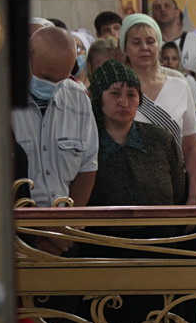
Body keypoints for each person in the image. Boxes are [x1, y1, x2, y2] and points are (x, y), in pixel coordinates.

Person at [12, 26, 98, 211]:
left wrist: (65, 225)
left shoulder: (78, 99)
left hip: (64, 225)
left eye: (61, 79)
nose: (53, 86)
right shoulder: (2, 102)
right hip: (17, 226)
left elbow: (87, 168)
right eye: (46, 77)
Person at [120, 13, 196, 204]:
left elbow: (191, 146)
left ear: (159, 45)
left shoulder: (179, 85)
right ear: (124, 47)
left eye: (150, 41)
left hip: (174, 186)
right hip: (126, 189)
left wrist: (194, 195)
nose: (144, 48)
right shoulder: (116, 88)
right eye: (136, 42)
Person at [89, 59, 186, 209]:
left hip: (162, 230)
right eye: (115, 94)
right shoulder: (88, 143)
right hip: (100, 232)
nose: (124, 102)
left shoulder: (161, 139)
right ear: (98, 98)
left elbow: (178, 191)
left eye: (131, 95)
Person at [150, 0, 196, 79]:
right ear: (153, 15)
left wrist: (188, 74)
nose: (162, 9)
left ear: (177, 12)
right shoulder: (150, 43)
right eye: (157, 7)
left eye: (167, 6)